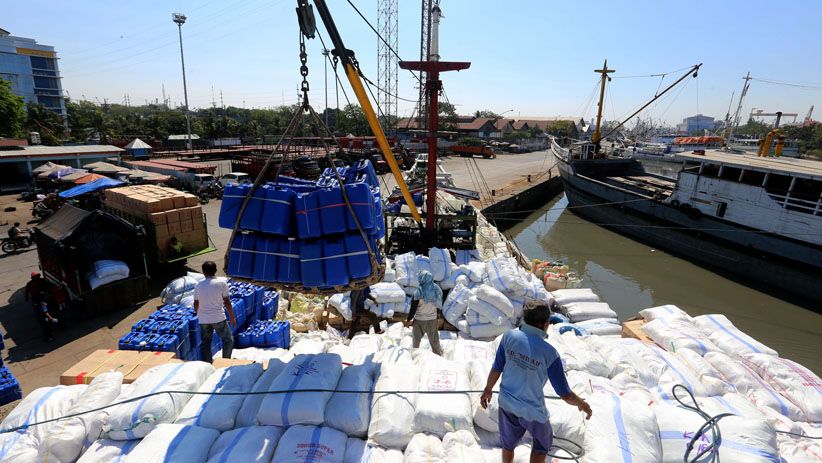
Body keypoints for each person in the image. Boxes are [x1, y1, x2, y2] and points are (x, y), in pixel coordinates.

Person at [480, 303, 592, 463]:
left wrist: (488, 390)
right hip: (533, 411)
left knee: (508, 445)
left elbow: (497, 368)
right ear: (546, 324)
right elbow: (565, 393)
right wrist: (582, 404)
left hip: (507, 405)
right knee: (541, 445)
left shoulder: (509, 337)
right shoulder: (550, 353)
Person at [193, 261, 236, 363]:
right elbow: (227, 302)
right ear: (216, 271)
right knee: (228, 340)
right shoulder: (221, 283)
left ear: (203, 272)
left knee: (206, 342)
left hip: (203, 319)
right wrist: (232, 316)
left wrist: (199, 314)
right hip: (218, 318)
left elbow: (196, 303)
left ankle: (209, 363)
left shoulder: (198, 286)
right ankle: (225, 362)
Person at [406, 270, 443, 356]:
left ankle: (414, 355)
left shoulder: (418, 292)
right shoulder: (437, 290)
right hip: (432, 320)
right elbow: (439, 306)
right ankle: (437, 355)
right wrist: (438, 317)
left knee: (416, 339)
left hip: (419, 320)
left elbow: (413, 308)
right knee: (434, 339)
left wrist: (408, 319)